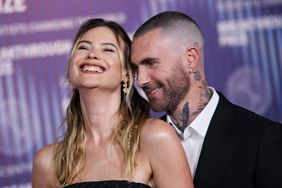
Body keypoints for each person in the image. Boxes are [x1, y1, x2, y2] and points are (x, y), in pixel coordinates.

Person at [32, 18, 194, 188]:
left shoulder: (155, 137)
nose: (92, 54)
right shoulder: (47, 162)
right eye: (83, 47)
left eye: (108, 49)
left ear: (126, 73)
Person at [131, 11, 282, 188]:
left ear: (191, 58)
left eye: (151, 63)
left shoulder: (264, 138)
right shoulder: (141, 143)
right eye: (135, 68)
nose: (140, 80)